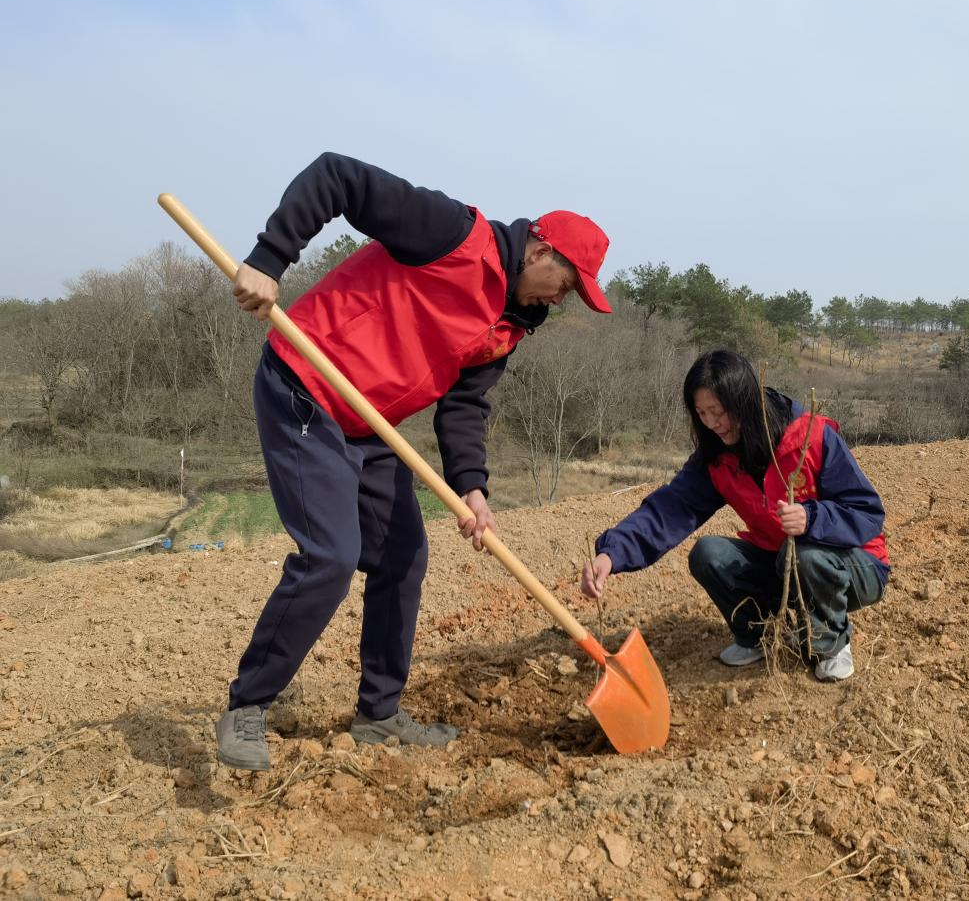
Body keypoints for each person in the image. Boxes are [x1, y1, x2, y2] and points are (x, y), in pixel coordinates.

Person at [216, 152, 612, 771]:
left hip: (369, 419)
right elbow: (336, 176)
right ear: (540, 252)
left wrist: (472, 488)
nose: (562, 300)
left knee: (402, 556)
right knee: (330, 557)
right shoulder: (451, 234)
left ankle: (378, 713)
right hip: (306, 385)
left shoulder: (511, 324)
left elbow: (464, 406)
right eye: (567, 284)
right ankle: (248, 705)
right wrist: (270, 259)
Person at [581, 349, 887, 681]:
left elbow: (867, 512)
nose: (711, 423)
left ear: (742, 401)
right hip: (781, 563)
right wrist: (612, 554)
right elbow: (671, 509)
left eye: (717, 411)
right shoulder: (717, 458)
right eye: (701, 413)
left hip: (854, 565)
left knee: (804, 554)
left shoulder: (811, 438)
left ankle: (829, 644)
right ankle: (759, 634)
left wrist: (812, 518)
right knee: (709, 554)